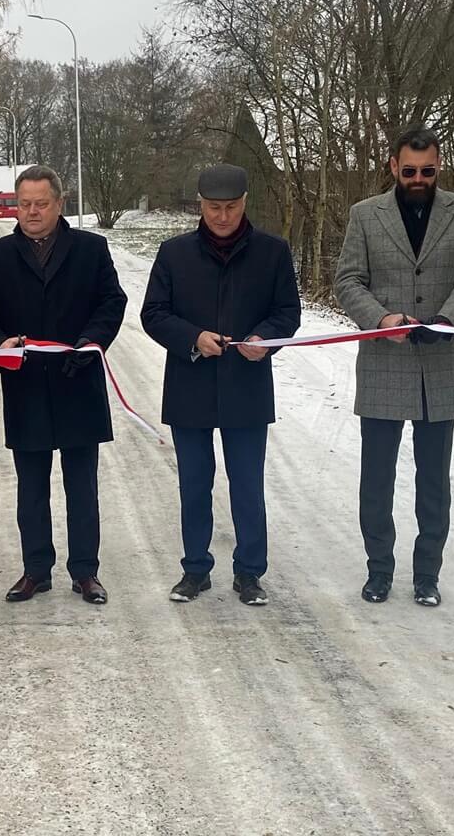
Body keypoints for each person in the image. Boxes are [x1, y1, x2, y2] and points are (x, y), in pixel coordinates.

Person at [333, 127, 454, 607]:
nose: (418, 178)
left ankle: (427, 574)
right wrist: (380, 318)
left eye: (428, 171)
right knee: (376, 480)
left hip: (439, 366)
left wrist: (447, 320)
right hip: (384, 360)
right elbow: (347, 280)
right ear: (392, 167)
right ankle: (379, 569)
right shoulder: (366, 215)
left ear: (439, 167)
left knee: (434, 480)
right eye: (409, 171)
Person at [0, 164, 127, 605]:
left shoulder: (92, 250)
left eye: (41, 203)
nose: (32, 212)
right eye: (24, 204)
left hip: (78, 384)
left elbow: (113, 301)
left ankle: (85, 572)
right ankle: (36, 570)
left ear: (60, 204)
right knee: (31, 487)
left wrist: (92, 341)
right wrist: (1, 345)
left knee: (82, 486)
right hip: (26, 386)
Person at [141, 164, 300, 607]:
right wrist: (192, 337)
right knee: (194, 482)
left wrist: (263, 341)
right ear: (201, 205)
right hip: (190, 385)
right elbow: (153, 313)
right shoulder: (174, 254)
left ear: (245, 203)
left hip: (246, 385)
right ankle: (195, 569)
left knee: (247, 483)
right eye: (214, 208)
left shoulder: (272, 252)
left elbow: (288, 312)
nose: (223, 217)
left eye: (231, 208)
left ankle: (250, 572)